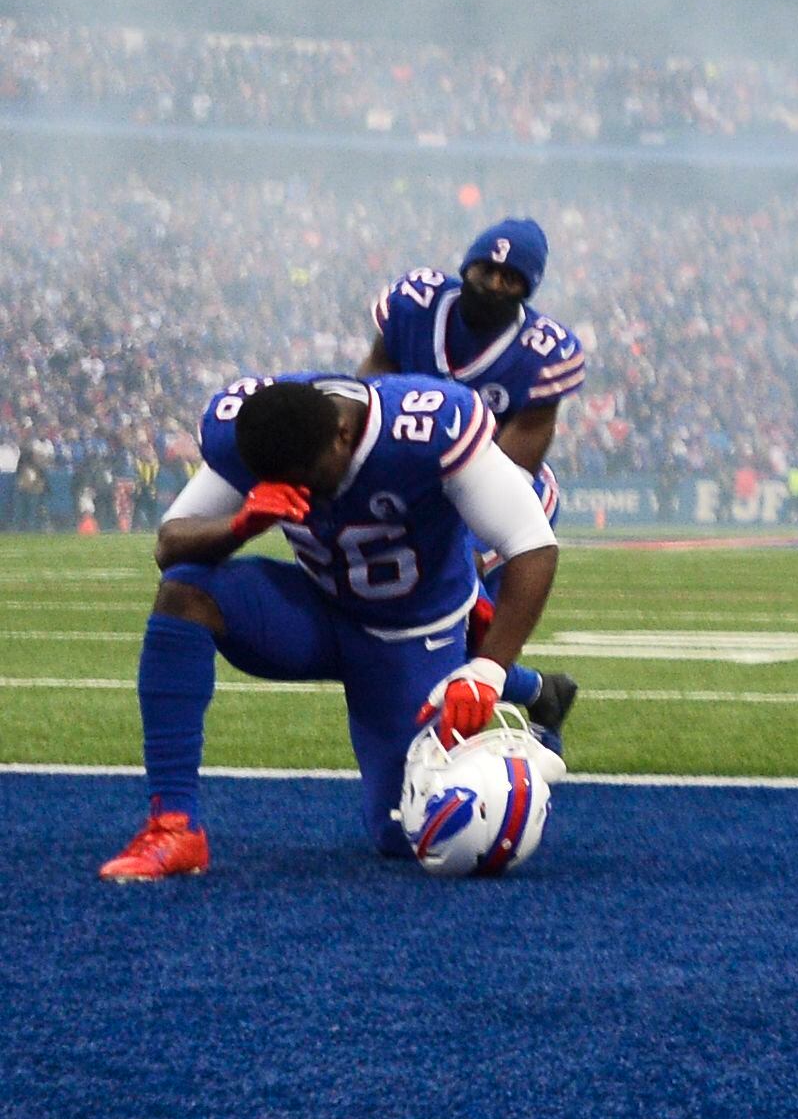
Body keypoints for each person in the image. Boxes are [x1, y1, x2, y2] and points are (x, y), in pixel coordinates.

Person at [97, 372, 561, 878]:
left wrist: (491, 668)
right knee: (186, 591)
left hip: (410, 636)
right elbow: (170, 545)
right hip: (314, 611)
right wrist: (239, 524)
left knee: (406, 834)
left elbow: (531, 542)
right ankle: (174, 825)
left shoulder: (426, 429)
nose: (301, 492)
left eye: (305, 476)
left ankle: (523, 686)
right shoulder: (255, 431)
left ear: (343, 434)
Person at [361, 216, 584, 740]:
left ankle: (524, 735)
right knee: (411, 633)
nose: (495, 285)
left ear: (528, 289)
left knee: (469, 639)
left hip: (502, 495)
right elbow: (370, 392)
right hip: (413, 490)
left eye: (511, 279)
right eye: (487, 270)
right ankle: (538, 693)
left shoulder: (542, 351)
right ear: (468, 265)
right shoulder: (415, 304)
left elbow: (515, 463)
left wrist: (464, 534)